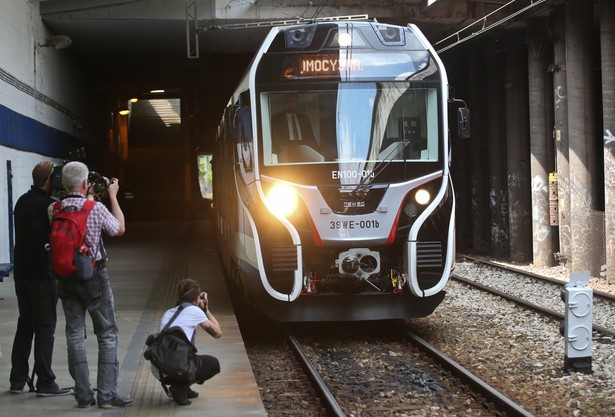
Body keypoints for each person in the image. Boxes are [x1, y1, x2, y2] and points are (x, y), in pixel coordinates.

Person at [49, 161, 132, 409]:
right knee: (106, 334)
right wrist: (113, 196)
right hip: (94, 276)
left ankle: (83, 396)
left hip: (65, 277)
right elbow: (119, 229)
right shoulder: (94, 207)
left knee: (74, 334)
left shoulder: (53, 209)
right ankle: (107, 395)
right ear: (86, 184)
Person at [10, 161, 71, 397]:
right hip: (42, 276)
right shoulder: (50, 206)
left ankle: (17, 379)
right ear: (52, 180)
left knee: (25, 324)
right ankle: (45, 381)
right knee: (45, 327)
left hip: (22, 273)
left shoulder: (23, 201)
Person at [157, 278, 222, 406]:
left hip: (161, 368)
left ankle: (185, 387)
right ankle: (180, 389)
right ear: (198, 298)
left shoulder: (169, 313)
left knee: (186, 355)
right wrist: (206, 310)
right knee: (214, 364)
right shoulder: (195, 311)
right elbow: (218, 333)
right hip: (177, 367)